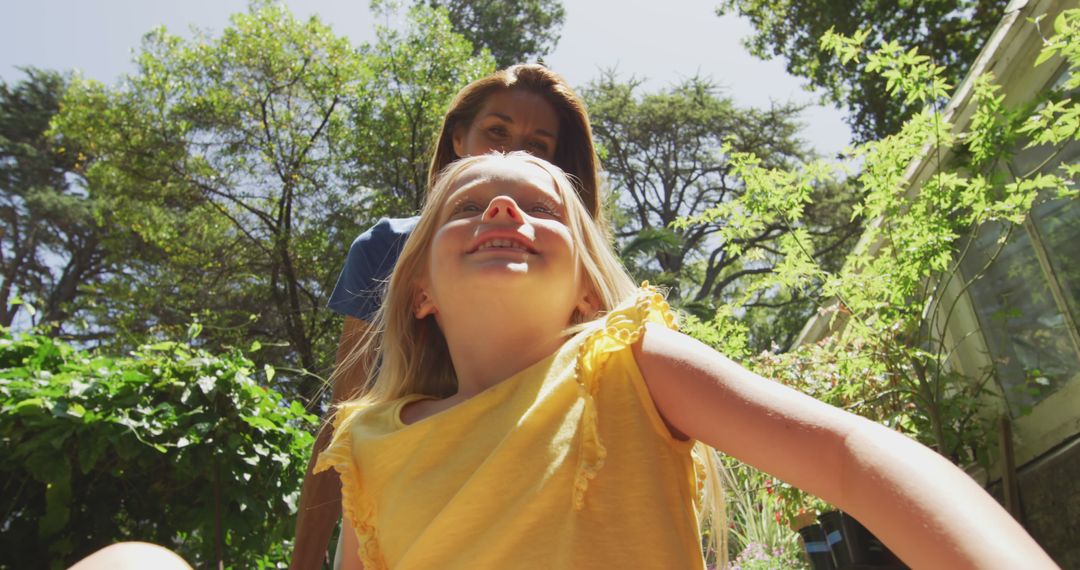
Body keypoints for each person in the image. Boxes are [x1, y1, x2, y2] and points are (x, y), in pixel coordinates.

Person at [316, 152, 1058, 569]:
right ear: (418, 293)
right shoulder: (369, 445)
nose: (505, 211)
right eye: (469, 206)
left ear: (584, 288)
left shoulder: (626, 362)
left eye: (540, 208)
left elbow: (848, 455)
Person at [291, 63, 604, 569]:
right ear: (458, 137)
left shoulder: (563, 258)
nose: (512, 155)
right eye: (496, 132)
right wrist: (304, 559)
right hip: (408, 499)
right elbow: (344, 415)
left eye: (537, 146)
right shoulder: (386, 247)